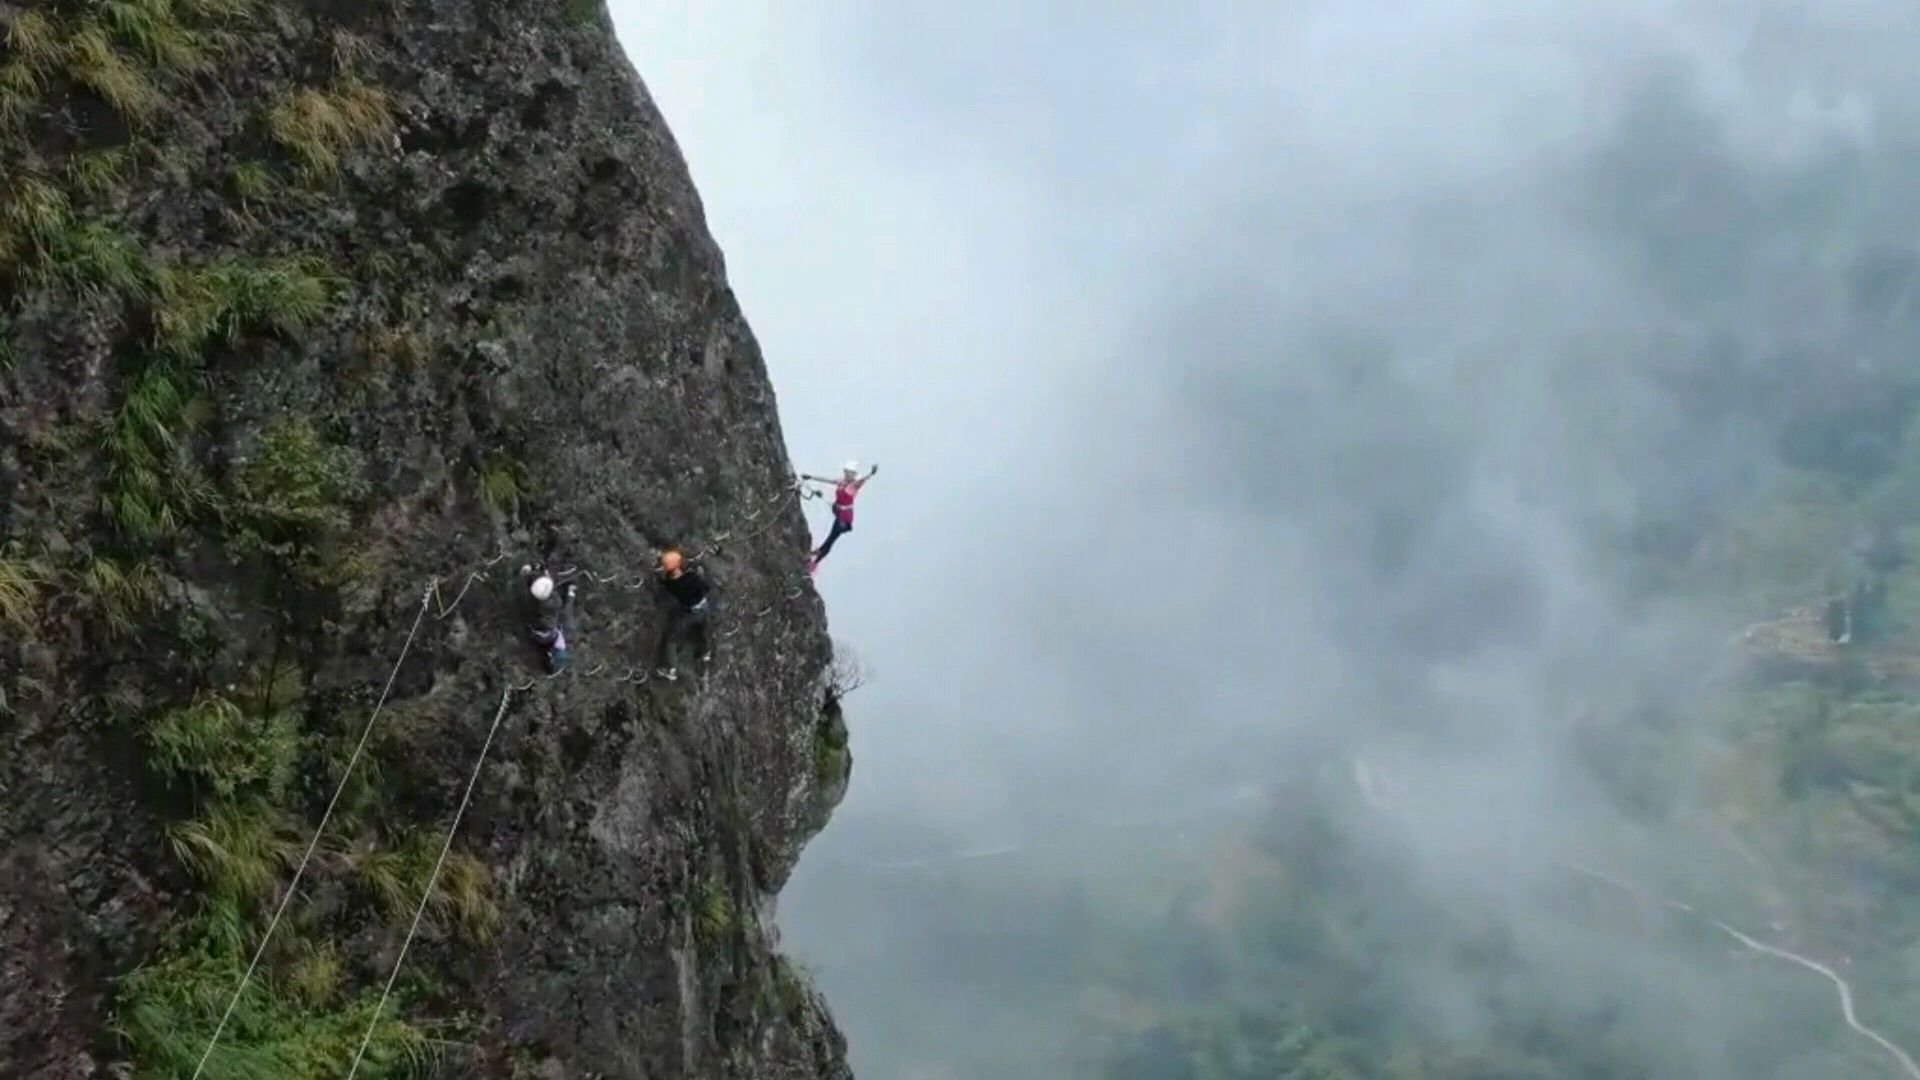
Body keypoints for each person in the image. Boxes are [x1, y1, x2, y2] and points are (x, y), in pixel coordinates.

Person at [801, 460, 878, 575]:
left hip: (845, 518)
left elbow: (863, 481)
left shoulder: (854, 485)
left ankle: (815, 561)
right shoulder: (841, 482)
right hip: (839, 513)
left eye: (849, 473)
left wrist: (871, 474)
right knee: (831, 536)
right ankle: (818, 554)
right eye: (845, 472)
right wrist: (811, 477)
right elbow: (827, 480)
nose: (846, 475)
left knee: (832, 538)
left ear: (853, 474)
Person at [652, 548, 714, 681]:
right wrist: (700, 575)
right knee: (703, 628)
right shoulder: (691, 577)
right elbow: (706, 588)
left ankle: (671, 668)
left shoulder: (671, 584)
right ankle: (705, 652)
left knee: (672, 639)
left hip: (690, 612)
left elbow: (664, 580)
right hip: (703, 607)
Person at [518, 563, 577, 673]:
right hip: (539, 629)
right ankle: (533, 572)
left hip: (542, 626)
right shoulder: (557, 634)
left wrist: (571, 593)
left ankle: (533, 572)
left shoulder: (553, 605)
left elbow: (566, 613)